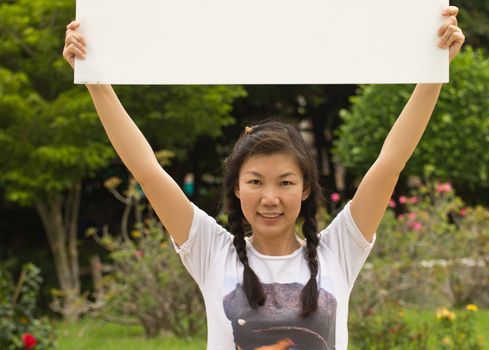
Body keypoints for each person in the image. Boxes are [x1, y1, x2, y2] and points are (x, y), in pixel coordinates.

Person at [63, 6, 465, 349]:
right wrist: (96, 80)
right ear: (236, 189)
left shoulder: (338, 251)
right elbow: (147, 171)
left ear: (305, 189)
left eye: (285, 182)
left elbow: (390, 163)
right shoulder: (210, 250)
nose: (270, 197)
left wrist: (434, 70)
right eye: (255, 181)